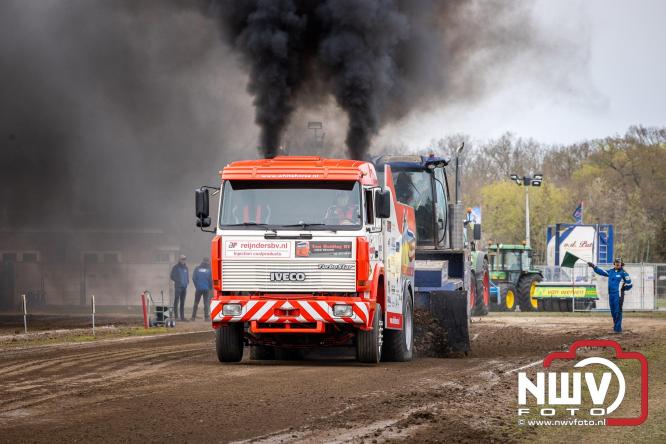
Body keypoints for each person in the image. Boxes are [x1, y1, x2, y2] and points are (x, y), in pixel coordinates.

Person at [587, 257, 632, 333]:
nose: (617, 264)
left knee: (618, 311)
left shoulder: (624, 273)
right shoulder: (611, 272)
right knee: (613, 311)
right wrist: (594, 266)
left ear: (621, 264)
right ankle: (616, 327)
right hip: (611, 294)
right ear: (614, 264)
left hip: (619, 295)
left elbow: (630, 284)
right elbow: (601, 272)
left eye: (619, 262)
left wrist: (623, 289)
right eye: (616, 262)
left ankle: (618, 329)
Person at [170, 254, 189, 322]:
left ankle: (182, 317)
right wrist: (178, 281)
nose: (183, 260)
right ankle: (176, 317)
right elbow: (172, 276)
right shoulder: (175, 267)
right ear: (179, 259)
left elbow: (187, 276)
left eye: (184, 259)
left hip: (184, 287)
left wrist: (187, 282)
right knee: (176, 301)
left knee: (182, 302)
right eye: (182, 259)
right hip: (178, 287)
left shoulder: (186, 267)